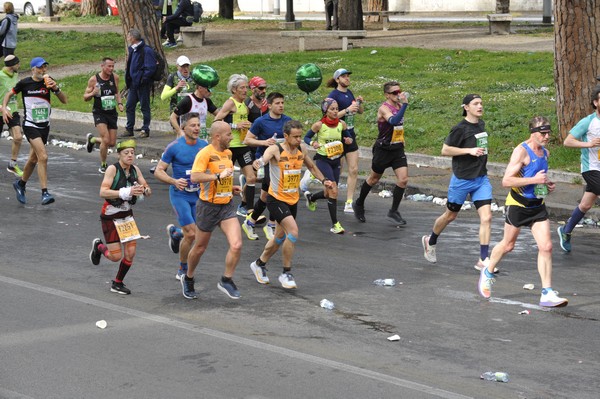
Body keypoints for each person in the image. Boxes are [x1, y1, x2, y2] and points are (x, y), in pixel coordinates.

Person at [477, 116, 568, 308]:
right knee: (508, 245)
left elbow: (539, 177)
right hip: (517, 205)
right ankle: (488, 271)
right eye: (542, 133)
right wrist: (533, 181)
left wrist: (547, 184)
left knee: (547, 247)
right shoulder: (521, 152)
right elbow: (506, 181)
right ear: (532, 133)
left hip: (537, 206)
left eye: (548, 133)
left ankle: (547, 292)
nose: (546, 136)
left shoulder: (545, 153)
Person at [249, 120, 332, 288]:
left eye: (300, 136)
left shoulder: (302, 149)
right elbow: (263, 159)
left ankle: (259, 264)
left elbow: (312, 166)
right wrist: (258, 163)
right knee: (293, 232)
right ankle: (286, 273)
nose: (298, 140)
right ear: (285, 136)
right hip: (276, 199)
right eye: (295, 137)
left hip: (292, 199)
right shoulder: (276, 149)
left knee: (279, 237)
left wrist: (324, 180)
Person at [421, 94, 493, 271]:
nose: (480, 106)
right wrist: (469, 151)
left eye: (481, 103)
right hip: (462, 180)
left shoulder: (481, 125)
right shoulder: (459, 128)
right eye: (475, 104)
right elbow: (445, 150)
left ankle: (483, 259)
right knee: (450, 216)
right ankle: (430, 241)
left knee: (487, 217)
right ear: (466, 107)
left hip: (481, 179)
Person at [181, 121, 243, 300]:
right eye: (229, 135)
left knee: (237, 244)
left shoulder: (228, 153)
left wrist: (230, 188)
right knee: (200, 247)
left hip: (226, 206)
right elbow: (195, 176)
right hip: (208, 207)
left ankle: (226, 279)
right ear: (217, 137)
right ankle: (189, 277)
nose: (231, 137)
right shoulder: (205, 153)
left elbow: (225, 176)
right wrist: (217, 177)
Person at [89, 139, 152, 295]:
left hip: (127, 215)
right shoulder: (112, 169)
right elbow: (103, 192)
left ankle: (117, 283)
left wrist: (144, 190)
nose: (130, 155)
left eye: (132, 152)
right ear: (119, 155)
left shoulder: (135, 170)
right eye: (126, 153)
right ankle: (99, 247)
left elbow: (147, 188)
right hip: (111, 215)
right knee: (115, 256)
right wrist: (125, 192)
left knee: (130, 253)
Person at [4, 56, 67, 205]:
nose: (43, 70)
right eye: (40, 67)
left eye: (44, 67)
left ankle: (20, 184)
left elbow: (64, 100)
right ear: (33, 69)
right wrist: (4, 108)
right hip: (30, 125)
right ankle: (45, 193)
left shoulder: (49, 81)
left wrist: (56, 88)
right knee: (43, 157)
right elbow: (9, 94)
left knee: (33, 159)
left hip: (44, 126)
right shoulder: (25, 83)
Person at [154, 113, 207, 280]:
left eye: (198, 125)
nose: (197, 128)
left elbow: (211, 170)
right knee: (191, 234)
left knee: (199, 235)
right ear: (183, 127)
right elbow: (158, 171)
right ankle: (182, 268)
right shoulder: (174, 146)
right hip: (180, 195)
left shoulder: (205, 146)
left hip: (198, 195)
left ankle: (176, 234)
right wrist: (174, 181)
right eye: (193, 125)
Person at [353, 81, 409, 225]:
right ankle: (359, 203)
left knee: (403, 180)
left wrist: (401, 138)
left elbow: (399, 127)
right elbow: (394, 121)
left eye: (399, 91)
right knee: (373, 179)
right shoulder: (384, 108)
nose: (398, 94)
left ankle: (393, 211)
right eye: (394, 93)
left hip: (397, 149)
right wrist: (405, 105)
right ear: (387, 95)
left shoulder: (398, 106)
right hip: (383, 150)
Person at [242, 92, 291, 240]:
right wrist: (264, 143)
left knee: (265, 195)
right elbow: (247, 140)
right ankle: (270, 224)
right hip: (265, 161)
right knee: (273, 194)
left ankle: (251, 222)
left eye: (282, 102)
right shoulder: (261, 122)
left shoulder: (288, 121)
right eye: (277, 103)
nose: (281, 105)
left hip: (282, 163)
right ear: (269, 105)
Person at [556, 86, 600, 253]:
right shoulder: (588, 122)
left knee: (586, 204)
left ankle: (565, 230)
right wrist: (588, 144)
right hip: (591, 169)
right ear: (595, 102)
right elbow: (568, 141)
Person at [304, 98, 352, 234]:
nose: (335, 111)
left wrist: (348, 140)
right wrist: (313, 143)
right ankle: (335, 224)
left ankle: (312, 197)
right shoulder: (319, 125)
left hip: (336, 160)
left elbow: (348, 137)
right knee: (334, 190)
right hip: (323, 160)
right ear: (325, 110)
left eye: (337, 109)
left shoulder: (342, 124)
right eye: (332, 109)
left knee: (328, 192)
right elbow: (306, 138)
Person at [213, 74, 255, 217]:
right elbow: (216, 121)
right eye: (242, 88)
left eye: (246, 87)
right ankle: (217, 205)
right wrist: (235, 125)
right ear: (234, 90)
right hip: (230, 147)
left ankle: (247, 208)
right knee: (225, 178)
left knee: (251, 177)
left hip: (243, 146)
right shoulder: (230, 103)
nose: (245, 90)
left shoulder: (245, 105)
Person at [326, 68, 364, 214]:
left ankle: (349, 202)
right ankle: (311, 179)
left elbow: (360, 111)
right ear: (337, 80)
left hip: (350, 133)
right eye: (344, 76)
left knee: (354, 169)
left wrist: (359, 104)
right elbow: (329, 116)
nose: (347, 78)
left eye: (348, 76)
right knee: (337, 171)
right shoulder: (333, 95)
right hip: (336, 135)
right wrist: (347, 110)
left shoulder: (349, 93)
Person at [83, 57, 124, 173]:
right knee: (105, 140)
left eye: (113, 66)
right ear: (102, 66)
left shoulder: (115, 77)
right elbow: (85, 97)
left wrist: (120, 103)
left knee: (111, 143)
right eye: (109, 66)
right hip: (99, 112)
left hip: (111, 113)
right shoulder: (93, 80)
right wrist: (92, 93)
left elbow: (117, 92)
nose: (111, 68)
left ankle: (92, 140)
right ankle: (103, 165)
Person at [122, 28, 156, 139]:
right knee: (130, 105)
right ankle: (129, 128)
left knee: (144, 106)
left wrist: (143, 79)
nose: (127, 38)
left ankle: (145, 129)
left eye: (128, 36)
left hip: (142, 84)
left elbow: (150, 68)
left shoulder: (146, 50)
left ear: (132, 37)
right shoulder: (133, 49)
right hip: (134, 84)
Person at [0, 54, 22, 176]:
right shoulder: (0, 75)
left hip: (12, 110)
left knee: (18, 137)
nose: (19, 65)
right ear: (12, 65)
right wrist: (2, 108)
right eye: (17, 63)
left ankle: (12, 164)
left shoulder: (15, 75)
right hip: (0, 111)